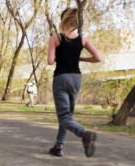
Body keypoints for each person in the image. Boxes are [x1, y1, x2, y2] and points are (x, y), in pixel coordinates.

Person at [47, 8, 102, 157]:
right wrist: (80, 58)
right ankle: (58, 146)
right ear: (76, 22)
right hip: (76, 78)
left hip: (61, 78)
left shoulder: (55, 38)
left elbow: (50, 61)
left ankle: (85, 134)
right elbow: (98, 57)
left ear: (62, 20)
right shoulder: (83, 39)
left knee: (64, 116)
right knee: (67, 116)